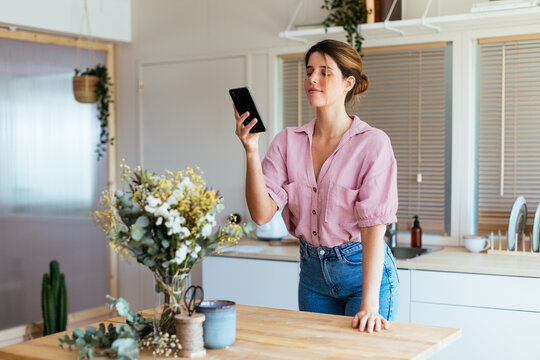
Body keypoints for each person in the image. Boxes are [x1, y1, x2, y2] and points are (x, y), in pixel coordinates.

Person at [233, 39, 399, 333]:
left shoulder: (373, 143)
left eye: (325, 72)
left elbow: (374, 227)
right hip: (313, 277)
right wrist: (251, 149)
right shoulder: (287, 142)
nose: (312, 79)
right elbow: (261, 214)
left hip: (364, 276)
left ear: (349, 82)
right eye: (309, 71)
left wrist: (370, 305)